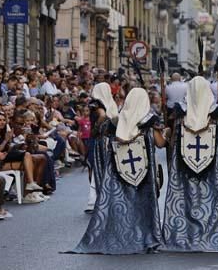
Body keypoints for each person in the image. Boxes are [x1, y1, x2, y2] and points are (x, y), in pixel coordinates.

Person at [162, 76, 218, 251]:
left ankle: (187, 230)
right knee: (211, 194)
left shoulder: (181, 117)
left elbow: (174, 142)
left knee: (188, 195)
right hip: (212, 167)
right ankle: (212, 228)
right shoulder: (216, 118)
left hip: (186, 165)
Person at [71, 87, 166, 254]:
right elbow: (160, 143)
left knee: (125, 201)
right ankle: (145, 236)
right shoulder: (149, 122)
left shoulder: (114, 123)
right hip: (144, 172)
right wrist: (163, 131)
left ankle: (123, 234)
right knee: (143, 202)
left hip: (121, 170)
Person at [84, 82, 118, 213]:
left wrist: (96, 128)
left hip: (98, 140)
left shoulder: (96, 104)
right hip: (110, 139)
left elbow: (102, 115)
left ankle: (94, 200)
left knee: (94, 167)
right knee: (106, 168)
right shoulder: (111, 103)